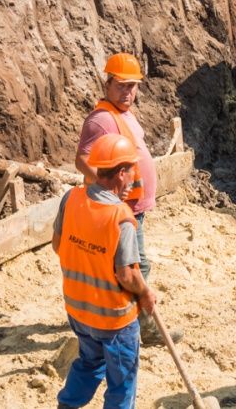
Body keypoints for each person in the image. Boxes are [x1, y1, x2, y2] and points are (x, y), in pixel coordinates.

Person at [75, 52, 180, 346]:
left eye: (132, 86)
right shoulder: (101, 120)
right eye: (121, 86)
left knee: (128, 265)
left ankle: (116, 319)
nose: (128, 92)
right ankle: (141, 327)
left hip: (134, 206)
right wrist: (108, 193)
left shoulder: (124, 114)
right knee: (136, 266)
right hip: (123, 209)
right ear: (107, 84)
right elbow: (82, 160)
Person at [53, 134, 156, 409]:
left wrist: (88, 260)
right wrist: (145, 292)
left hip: (78, 310)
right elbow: (127, 275)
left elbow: (58, 245)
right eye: (132, 172)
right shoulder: (121, 217)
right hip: (113, 320)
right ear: (121, 173)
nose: (134, 180)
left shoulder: (71, 198)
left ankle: (67, 405)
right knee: (122, 380)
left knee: (89, 361)